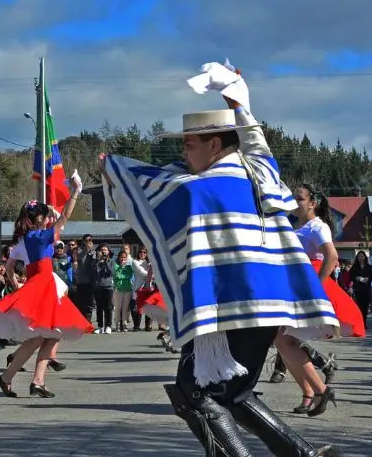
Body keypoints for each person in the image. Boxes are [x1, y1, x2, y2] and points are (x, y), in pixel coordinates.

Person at [100, 63, 341, 457]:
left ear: (215, 145)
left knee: (195, 393)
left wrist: (113, 168)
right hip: (270, 302)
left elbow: (152, 191)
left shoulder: (199, 188)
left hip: (231, 306)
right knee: (235, 392)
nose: (183, 151)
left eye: (189, 143)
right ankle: (304, 454)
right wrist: (236, 96)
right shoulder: (261, 173)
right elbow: (255, 140)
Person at [0, 184, 91, 399]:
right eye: (42, 215)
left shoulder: (23, 240)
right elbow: (65, 218)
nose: (45, 217)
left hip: (38, 285)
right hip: (44, 286)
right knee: (51, 334)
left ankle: (12, 378)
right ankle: (33, 381)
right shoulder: (40, 237)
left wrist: (15, 285)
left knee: (41, 337)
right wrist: (76, 191)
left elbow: (11, 265)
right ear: (37, 219)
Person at [273, 183, 362, 415]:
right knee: (283, 342)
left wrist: (315, 288)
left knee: (284, 342)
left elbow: (332, 257)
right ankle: (310, 393)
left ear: (312, 203)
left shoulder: (317, 226)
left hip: (307, 285)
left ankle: (320, 391)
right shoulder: (297, 226)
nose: (295, 202)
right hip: (295, 285)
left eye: (299, 198)